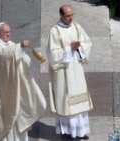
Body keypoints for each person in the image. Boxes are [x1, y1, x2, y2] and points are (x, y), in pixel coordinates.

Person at [0, 22, 47, 141]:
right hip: (1, 90)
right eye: (5, 32)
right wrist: (19, 47)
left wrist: (24, 53)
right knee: (5, 116)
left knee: (17, 113)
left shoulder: (11, 44)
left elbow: (20, 59)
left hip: (14, 87)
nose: (8, 35)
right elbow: (2, 56)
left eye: (9, 32)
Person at [45, 4, 93, 140]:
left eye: (72, 14)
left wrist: (79, 47)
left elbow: (87, 42)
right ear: (61, 15)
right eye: (68, 16)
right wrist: (68, 49)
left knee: (79, 102)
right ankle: (67, 133)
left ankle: (80, 132)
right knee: (67, 104)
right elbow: (51, 54)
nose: (71, 18)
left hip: (76, 70)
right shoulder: (54, 32)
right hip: (63, 73)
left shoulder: (76, 26)